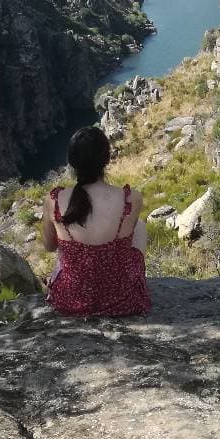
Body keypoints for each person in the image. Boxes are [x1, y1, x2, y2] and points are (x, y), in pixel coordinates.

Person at [41, 125, 150, 316]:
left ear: (71, 161)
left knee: (63, 254)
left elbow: (49, 246)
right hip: (122, 300)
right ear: (107, 159)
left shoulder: (54, 200)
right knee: (139, 225)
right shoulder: (131, 198)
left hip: (70, 300)